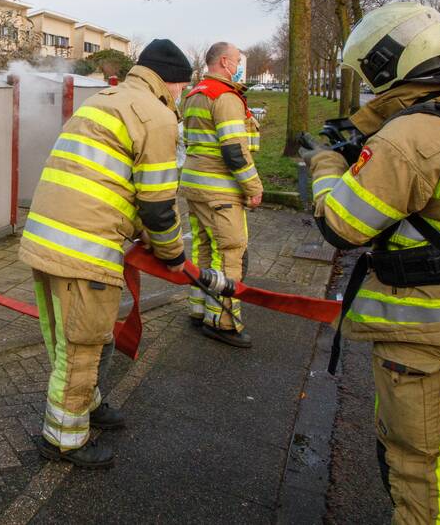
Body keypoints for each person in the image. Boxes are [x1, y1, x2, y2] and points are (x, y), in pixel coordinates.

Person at [299, 1, 440, 524]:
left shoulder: (410, 136)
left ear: (392, 62)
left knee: (418, 465)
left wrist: (325, 164)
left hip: (425, 338)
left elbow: (340, 224)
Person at [18, 38, 191, 468]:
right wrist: (172, 255)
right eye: (183, 89)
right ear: (174, 84)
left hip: (47, 238)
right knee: (82, 344)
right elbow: (157, 203)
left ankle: (87, 404)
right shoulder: (157, 116)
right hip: (84, 249)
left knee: (78, 338)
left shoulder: (105, 99)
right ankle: (64, 440)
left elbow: (109, 182)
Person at [180, 42, 262, 347]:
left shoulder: (194, 95)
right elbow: (234, 151)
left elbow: (189, 140)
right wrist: (254, 188)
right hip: (220, 190)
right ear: (225, 62)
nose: (239, 66)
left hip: (196, 184)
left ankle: (200, 309)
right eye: (238, 61)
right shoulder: (225, 97)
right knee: (230, 251)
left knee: (204, 247)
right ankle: (223, 322)